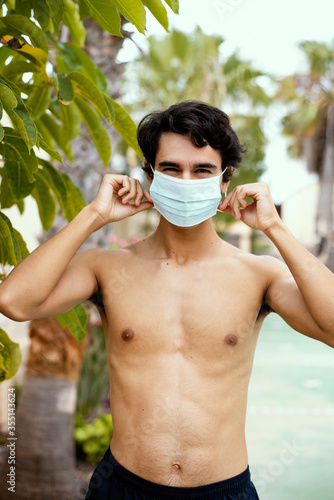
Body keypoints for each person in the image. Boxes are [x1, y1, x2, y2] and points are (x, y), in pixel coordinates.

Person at [0, 101, 333, 500]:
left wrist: (275, 228)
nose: (186, 180)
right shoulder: (108, 268)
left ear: (225, 180)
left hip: (223, 490)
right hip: (122, 487)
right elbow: (14, 301)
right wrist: (95, 214)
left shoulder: (258, 274)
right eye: (172, 169)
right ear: (149, 175)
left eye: (203, 170)